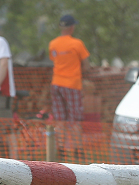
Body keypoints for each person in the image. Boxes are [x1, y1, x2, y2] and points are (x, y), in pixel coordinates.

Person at [49, 14, 91, 160]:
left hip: (56, 84)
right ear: (72, 27)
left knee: (60, 120)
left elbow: (54, 60)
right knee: (75, 120)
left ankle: (61, 151)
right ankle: (78, 151)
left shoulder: (53, 44)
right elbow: (86, 65)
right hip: (72, 85)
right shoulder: (77, 44)